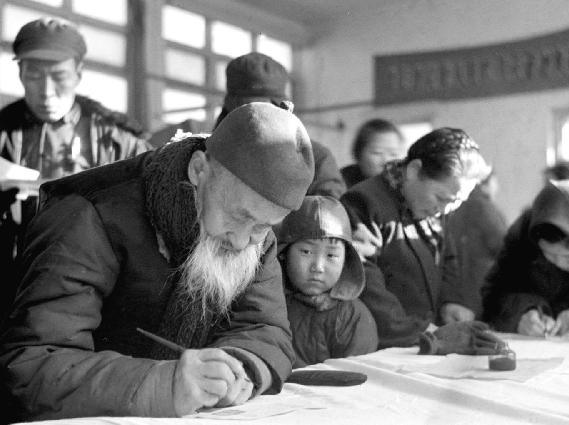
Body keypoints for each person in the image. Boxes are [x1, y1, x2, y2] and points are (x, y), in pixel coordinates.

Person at [0, 102, 315, 421]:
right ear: (199, 170)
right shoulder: (87, 215)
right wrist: (163, 385)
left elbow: (265, 327)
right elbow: (34, 364)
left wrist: (237, 367)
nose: (240, 242)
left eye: (263, 226)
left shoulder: (253, 236)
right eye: (238, 216)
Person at [0, 18, 151, 315]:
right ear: (20, 73)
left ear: (78, 74)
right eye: (33, 76)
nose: (46, 91)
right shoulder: (3, 131)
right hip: (11, 284)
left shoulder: (117, 138)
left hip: (94, 285)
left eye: (59, 76)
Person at [341, 128, 490, 348]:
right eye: (441, 197)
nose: (445, 210)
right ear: (413, 170)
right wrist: (418, 331)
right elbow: (363, 280)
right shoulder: (364, 203)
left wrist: (450, 302)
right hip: (380, 344)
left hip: (423, 340)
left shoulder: (436, 207)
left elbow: (446, 257)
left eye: (457, 201)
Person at [151, 52, 346, 198]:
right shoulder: (200, 151)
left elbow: (327, 218)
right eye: (246, 112)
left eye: (265, 112)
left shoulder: (316, 159)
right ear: (229, 109)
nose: (255, 122)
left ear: (284, 111)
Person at [482, 180, 569, 337]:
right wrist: (521, 314)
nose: (559, 263)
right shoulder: (523, 235)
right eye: (549, 254)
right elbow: (494, 292)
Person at [277, 195, 378, 367]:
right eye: (306, 252)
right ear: (283, 253)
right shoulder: (268, 306)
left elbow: (354, 375)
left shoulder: (353, 318)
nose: (318, 267)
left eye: (331, 255)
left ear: (346, 260)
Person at [445, 167, 508, 319]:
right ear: (486, 183)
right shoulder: (483, 206)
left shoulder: (457, 205)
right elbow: (503, 246)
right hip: (482, 284)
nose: (497, 188)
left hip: (458, 288)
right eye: (495, 182)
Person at [340, 118, 409, 188]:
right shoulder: (340, 185)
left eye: (393, 154)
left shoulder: (407, 186)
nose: (386, 161)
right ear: (358, 154)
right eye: (377, 153)